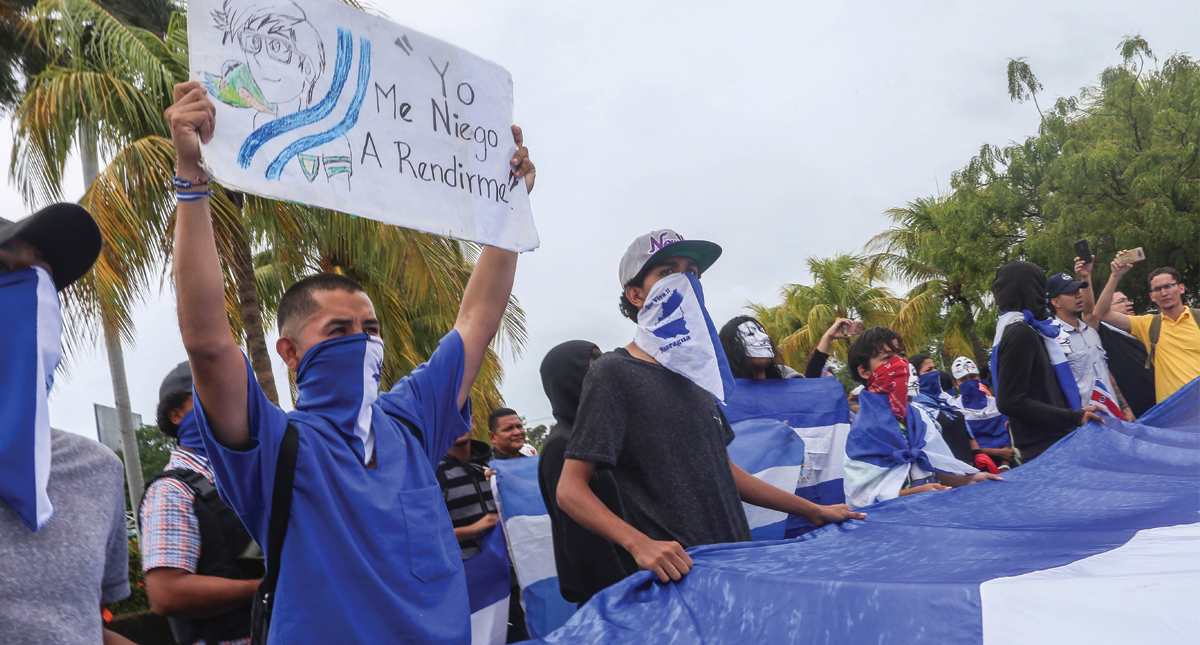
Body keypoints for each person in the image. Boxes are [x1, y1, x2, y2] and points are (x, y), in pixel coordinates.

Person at [166, 81, 535, 643]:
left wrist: (510, 210)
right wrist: (191, 182)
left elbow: (476, 321)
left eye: (370, 329)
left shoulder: (411, 418)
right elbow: (209, 344)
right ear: (289, 353)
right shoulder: (273, 445)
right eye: (338, 331)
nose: (361, 343)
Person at [557, 229, 864, 584]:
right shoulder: (614, 373)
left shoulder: (698, 373)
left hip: (735, 564)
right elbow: (570, 490)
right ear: (636, 295)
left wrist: (813, 510)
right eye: (668, 271)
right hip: (679, 579)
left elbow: (725, 470)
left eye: (692, 272)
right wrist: (639, 544)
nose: (685, 281)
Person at [0, 205, 137, 645]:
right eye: (3, 269)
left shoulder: (97, 469)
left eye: (45, 281)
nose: (31, 296)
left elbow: (78, 625)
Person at [139, 362, 263, 645]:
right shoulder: (171, 491)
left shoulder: (254, 474)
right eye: (205, 390)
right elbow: (166, 594)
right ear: (176, 414)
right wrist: (266, 587)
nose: (226, 398)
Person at [842, 328, 1000, 509]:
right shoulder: (863, 432)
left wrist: (968, 479)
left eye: (901, 356)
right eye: (887, 358)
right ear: (864, 372)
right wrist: (910, 494)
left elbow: (936, 466)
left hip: (936, 513)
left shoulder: (918, 416)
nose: (899, 363)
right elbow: (860, 499)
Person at [536, 341, 633, 605]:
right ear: (571, 383)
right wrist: (624, 596)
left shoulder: (600, 437)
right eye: (595, 374)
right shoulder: (562, 446)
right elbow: (584, 543)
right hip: (613, 599)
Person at [991, 261, 1105, 462]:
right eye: (1039, 286)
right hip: (1045, 450)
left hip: (1054, 442)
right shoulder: (1020, 333)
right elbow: (1010, 401)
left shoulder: (1029, 330)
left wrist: (1075, 412)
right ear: (1029, 289)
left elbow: (1040, 391)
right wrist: (1073, 418)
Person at [1095, 257, 1200, 404]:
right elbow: (1100, 313)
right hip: (1174, 412)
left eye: (1169, 286)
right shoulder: (1148, 324)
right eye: (1157, 289)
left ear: (1181, 288)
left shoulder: (1197, 318)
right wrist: (1115, 275)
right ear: (1152, 296)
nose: (1164, 293)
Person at [1046, 265, 1133, 420]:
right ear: (1055, 302)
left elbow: (1104, 369)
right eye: (1070, 293)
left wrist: (1124, 407)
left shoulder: (1092, 332)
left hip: (1113, 413)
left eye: (1078, 291)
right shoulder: (1052, 338)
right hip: (1086, 420)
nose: (1078, 295)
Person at [1093, 287, 1156, 417]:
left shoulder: (1143, 327)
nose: (1129, 303)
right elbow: (1090, 312)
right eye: (1121, 301)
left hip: (1163, 400)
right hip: (1136, 410)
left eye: (1128, 300)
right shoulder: (1102, 331)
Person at [436, 430, 498, 560]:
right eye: (451, 418)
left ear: (473, 422)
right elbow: (426, 537)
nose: (458, 423)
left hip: (509, 569)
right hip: (464, 570)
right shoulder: (432, 473)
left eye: (463, 417)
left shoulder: (493, 466)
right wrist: (472, 529)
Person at [949, 356, 1014, 471]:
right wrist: (997, 452)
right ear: (956, 384)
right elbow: (963, 444)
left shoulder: (995, 403)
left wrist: (1005, 465)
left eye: (972, 377)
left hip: (1006, 462)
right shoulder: (954, 409)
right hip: (977, 466)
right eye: (963, 379)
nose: (969, 382)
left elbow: (1006, 434)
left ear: (978, 378)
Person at [718, 316, 801, 378]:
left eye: (762, 332)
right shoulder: (720, 391)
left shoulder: (789, 377)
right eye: (750, 334)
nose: (765, 337)